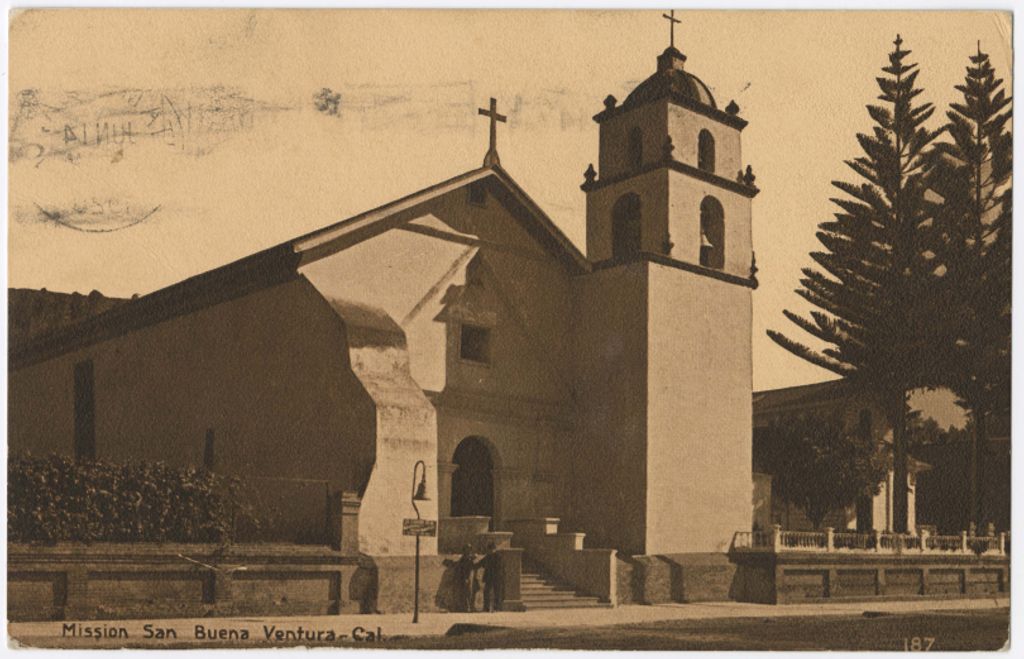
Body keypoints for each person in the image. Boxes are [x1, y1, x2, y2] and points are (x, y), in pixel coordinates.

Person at [475, 542, 501, 612]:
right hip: (489, 577)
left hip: (495, 577)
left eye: (491, 549)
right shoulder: (488, 557)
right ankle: (486, 607)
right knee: (487, 592)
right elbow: (480, 563)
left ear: (493, 549)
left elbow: (500, 567)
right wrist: (473, 564)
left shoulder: (498, 557)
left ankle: (496, 608)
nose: (490, 551)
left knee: (496, 592)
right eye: (489, 550)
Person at [453, 544, 478, 612]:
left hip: (471, 578)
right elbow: (463, 569)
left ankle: (470, 607)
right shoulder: (463, 559)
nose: (469, 551)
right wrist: (466, 578)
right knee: (466, 592)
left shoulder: (469, 558)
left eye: (470, 549)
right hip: (466, 578)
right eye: (468, 549)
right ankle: (467, 607)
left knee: (471, 592)